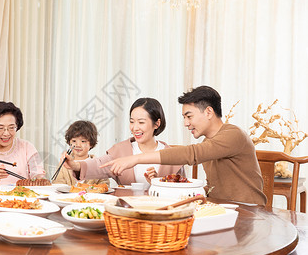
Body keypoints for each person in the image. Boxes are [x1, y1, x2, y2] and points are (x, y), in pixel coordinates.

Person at [102, 86, 267, 205]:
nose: (186, 123)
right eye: (184, 118)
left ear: (208, 112)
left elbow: (192, 154)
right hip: (224, 209)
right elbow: (216, 187)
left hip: (249, 211)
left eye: (189, 116)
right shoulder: (208, 143)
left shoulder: (233, 135)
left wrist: (135, 159)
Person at [64, 98, 184, 188]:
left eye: (141, 122)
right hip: (125, 213)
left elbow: (182, 193)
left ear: (157, 124)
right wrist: (75, 165)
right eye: (132, 122)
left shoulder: (173, 157)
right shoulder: (122, 150)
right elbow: (99, 164)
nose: (135, 128)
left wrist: (157, 182)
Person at [53, 120, 109, 186]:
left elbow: (104, 186)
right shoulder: (64, 164)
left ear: (91, 143)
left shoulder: (99, 165)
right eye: (74, 141)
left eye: (83, 141)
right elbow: (57, 184)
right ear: (69, 142)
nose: (78, 145)